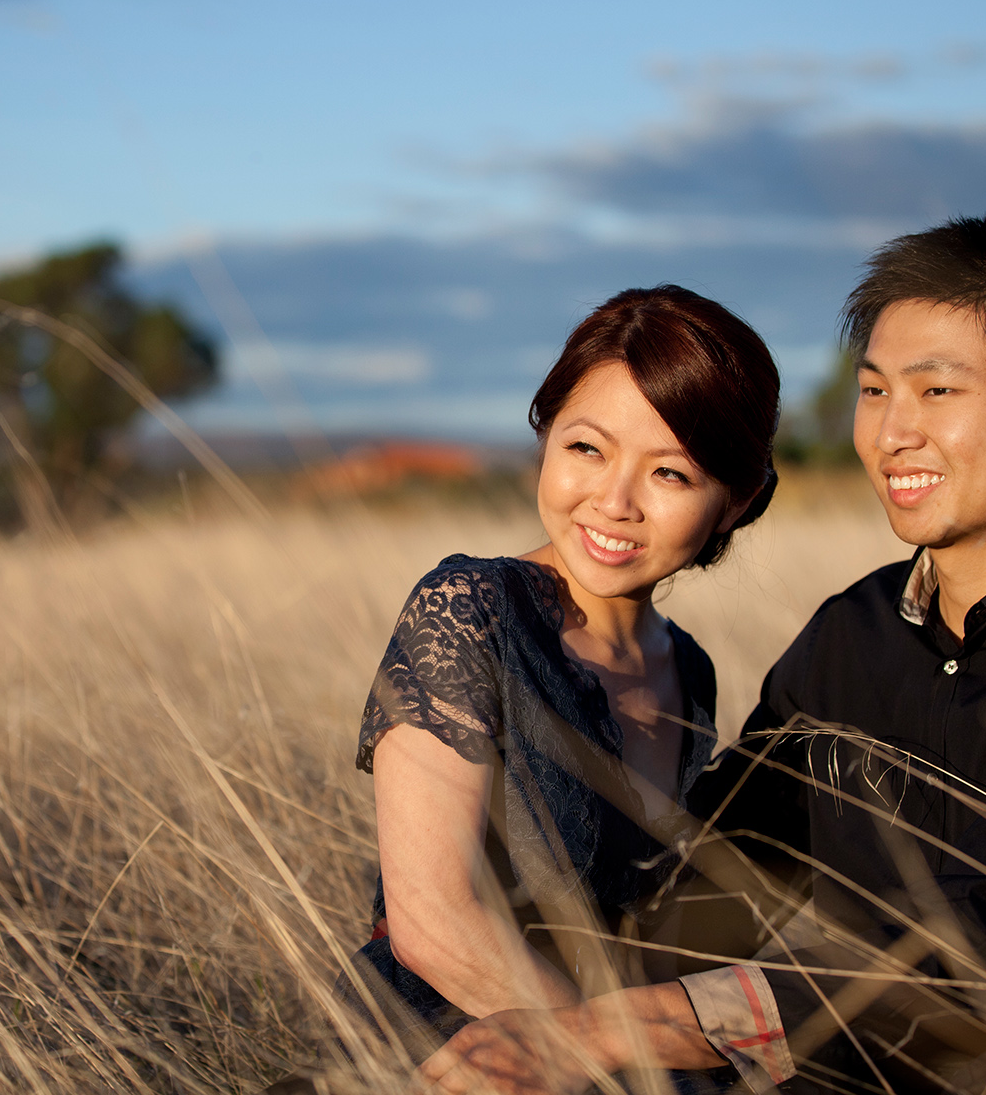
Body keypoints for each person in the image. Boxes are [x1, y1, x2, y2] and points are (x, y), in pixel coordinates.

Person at [419, 214, 986, 1094]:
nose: (892, 434)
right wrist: (496, 998)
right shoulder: (857, 633)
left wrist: (612, 1032)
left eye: (937, 393)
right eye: (876, 390)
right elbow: (719, 885)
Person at [334, 285, 780, 1067]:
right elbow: (433, 922)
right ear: (546, 441)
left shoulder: (690, 673)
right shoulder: (470, 609)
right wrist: (613, 1066)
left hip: (594, 1049)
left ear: (733, 502)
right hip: (450, 1046)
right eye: (586, 448)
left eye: (670, 474)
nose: (613, 501)